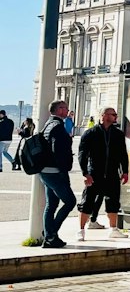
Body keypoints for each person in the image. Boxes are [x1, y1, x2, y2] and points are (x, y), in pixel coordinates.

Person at [76, 107, 130, 242]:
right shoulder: (90, 133)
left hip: (112, 173)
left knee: (113, 201)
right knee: (87, 201)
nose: (115, 117)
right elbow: (82, 154)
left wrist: (125, 171)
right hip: (95, 172)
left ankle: (113, 229)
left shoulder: (118, 134)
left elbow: (123, 154)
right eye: (113, 115)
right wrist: (85, 173)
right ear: (104, 115)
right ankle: (81, 230)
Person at [39, 100, 76, 248]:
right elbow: (58, 151)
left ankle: (50, 236)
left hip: (44, 171)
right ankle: (50, 234)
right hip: (55, 172)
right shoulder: (58, 127)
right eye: (65, 108)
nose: (67, 110)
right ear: (59, 110)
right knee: (70, 202)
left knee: (52, 204)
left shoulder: (47, 125)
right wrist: (63, 169)